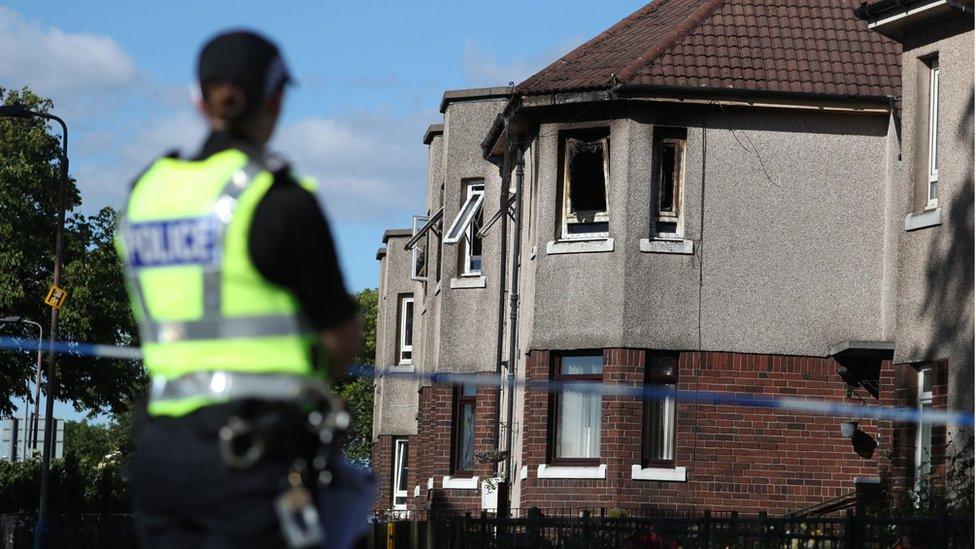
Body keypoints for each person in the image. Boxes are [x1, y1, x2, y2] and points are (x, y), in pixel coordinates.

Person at [117, 30, 373, 548]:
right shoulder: (280, 199)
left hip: (160, 456)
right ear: (276, 100)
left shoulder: (144, 194)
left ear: (198, 98)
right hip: (252, 455)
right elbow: (342, 345)